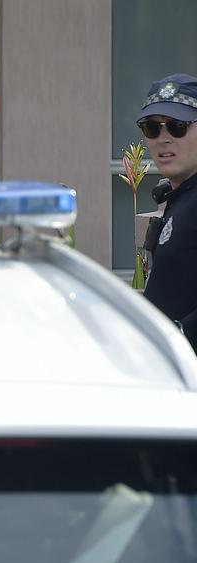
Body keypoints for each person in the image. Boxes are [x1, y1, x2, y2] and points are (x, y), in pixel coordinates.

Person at [138, 73, 197, 353]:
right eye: (152, 128)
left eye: (177, 126)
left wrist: (179, 336)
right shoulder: (180, 196)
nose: (163, 139)